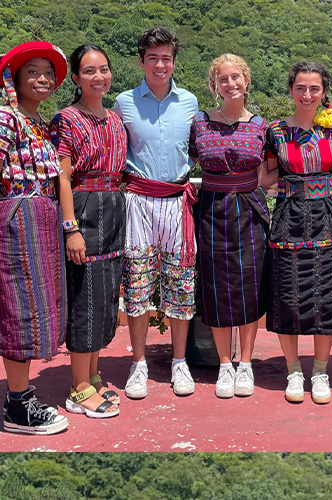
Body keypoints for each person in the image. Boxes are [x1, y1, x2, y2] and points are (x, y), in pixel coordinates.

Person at [114, 27, 198, 399]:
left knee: (181, 284)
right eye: (153, 58)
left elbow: (199, 149)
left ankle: (180, 363)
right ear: (141, 61)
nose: (160, 64)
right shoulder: (123, 102)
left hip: (177, 201)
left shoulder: (190, 102)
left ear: (174, 61)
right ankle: (139, 363)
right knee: (137, 285)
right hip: (138, 201)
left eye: (166, 58)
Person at [50, 45, 127, 418]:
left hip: (114, 207)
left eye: (104, 70)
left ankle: (93, 374)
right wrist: (71, 229)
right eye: (90, 71)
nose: (99, 77)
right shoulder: (66, 118)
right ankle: (77, 387)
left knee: (105, 296)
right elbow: (62, 177)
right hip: (83, 208)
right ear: (76, 78)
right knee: (85, 298)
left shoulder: (114, 119)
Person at [263, 62, 332, 404]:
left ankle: (321, 371)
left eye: (314, 88)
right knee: (287, 295)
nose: (307, 94)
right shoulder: (276, 132)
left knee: (326, 295)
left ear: (324, 91)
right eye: (300, 88)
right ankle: (294, 370)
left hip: (327, 216)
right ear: (291, 90)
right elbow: (265, 177)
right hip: (287, 218)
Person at [189, 54, 268, 398]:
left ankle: (246, 363)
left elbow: (272, 170)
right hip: (211, 209)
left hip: (250, 208)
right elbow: (185, 161)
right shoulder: (200, 122)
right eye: (223, 79)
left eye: (236, 77)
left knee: (250, 284)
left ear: (246, 80)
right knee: (216, 286)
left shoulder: (263, 126)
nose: (230, 83)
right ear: (214, 86)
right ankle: (224, 364)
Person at [0, 41, 69, 434]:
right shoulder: (7, 119)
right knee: (19, 308)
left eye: (47, 72)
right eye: (32, 72)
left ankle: (20, 395)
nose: (42, 78)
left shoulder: (38, 123)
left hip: (39, 217)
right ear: (14, 78)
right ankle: (18, 405)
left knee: (33, 306)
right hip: (16, 218)